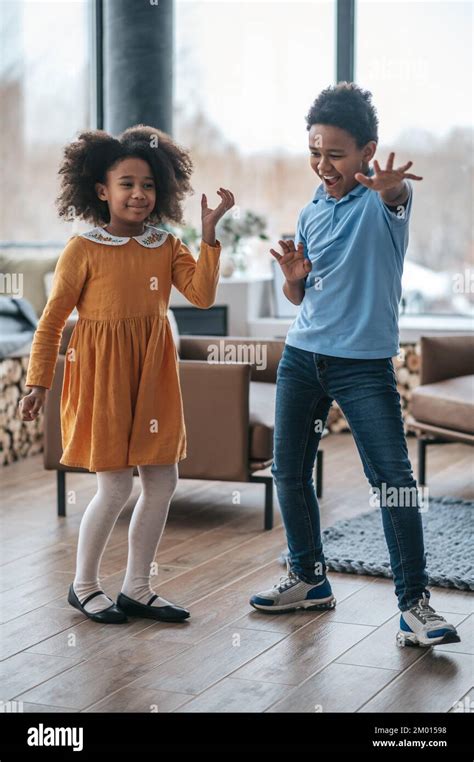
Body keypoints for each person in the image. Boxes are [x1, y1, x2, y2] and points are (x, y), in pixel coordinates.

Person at [250, 83, 460, 649]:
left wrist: (390, 192)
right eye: (315, 152)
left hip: (363, 366)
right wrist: (294, 279)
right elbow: (302, 297)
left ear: (368, 151)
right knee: (288, 472)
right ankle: (309, 578)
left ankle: (413, 604)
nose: (323, 164)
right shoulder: (310, 211)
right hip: (301, 356)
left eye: (335, 153)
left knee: (394, 483)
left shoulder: (382, 201)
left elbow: (395, 202)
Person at [19, 124, 234, 624]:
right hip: (101, 377)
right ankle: (84, 586)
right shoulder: (84, 248)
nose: (139, 194)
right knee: (114, 488)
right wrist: (38, 382)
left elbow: (201, 295)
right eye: (127, 184)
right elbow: (52, 321)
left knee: (162, 482)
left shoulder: (165, 243)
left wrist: (208, 236)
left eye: (148, 185)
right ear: (101, 191)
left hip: (153, 374)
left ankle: (138, 587)